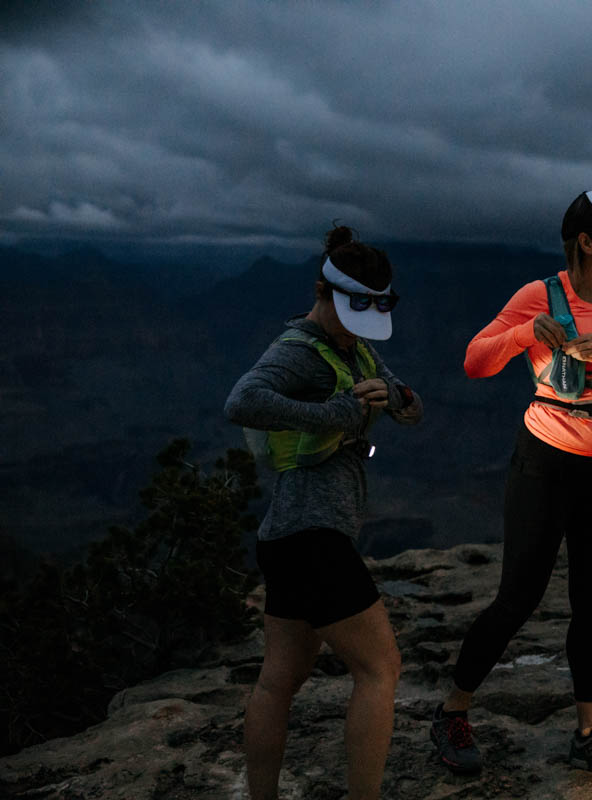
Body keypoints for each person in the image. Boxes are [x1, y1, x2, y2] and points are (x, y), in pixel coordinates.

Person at [430, 190, 592, 784]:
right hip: (544, 463)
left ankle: (588, 735)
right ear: (587, 243)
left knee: (591, 603)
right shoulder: (536, 297)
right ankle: (452, 712)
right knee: (518, 598)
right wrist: (528, 335)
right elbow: (475, 360)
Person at [225, 226, 422, 800]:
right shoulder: (296, 351)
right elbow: (242, 400)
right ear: (322, 292)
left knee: (280, 679)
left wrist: (400, 400)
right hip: (312, 537)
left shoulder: (353, 347)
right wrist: (334, 414)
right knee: (381, 667)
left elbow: (411, 406)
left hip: (286, 536)